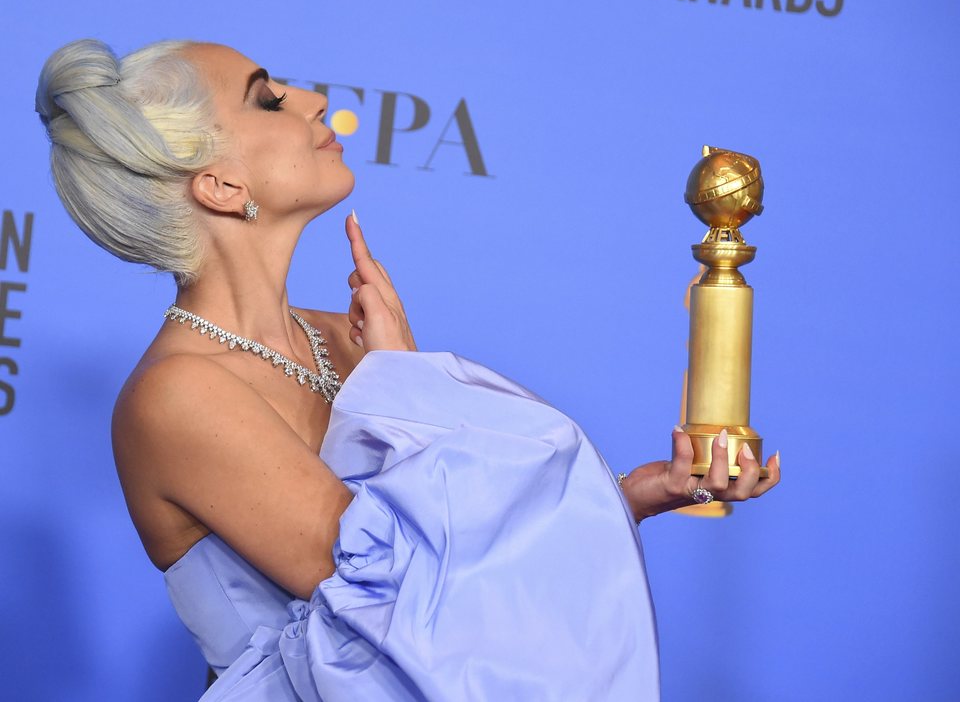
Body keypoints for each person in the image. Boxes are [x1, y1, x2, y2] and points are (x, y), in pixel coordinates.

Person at [36, 38, 780, 701]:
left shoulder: (348, 335)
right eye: (269, 98)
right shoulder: (179, 394)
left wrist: (633, 496)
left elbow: (469, 571)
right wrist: (402, 379)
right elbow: (410, 603)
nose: (315, 100)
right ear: (221, 186)